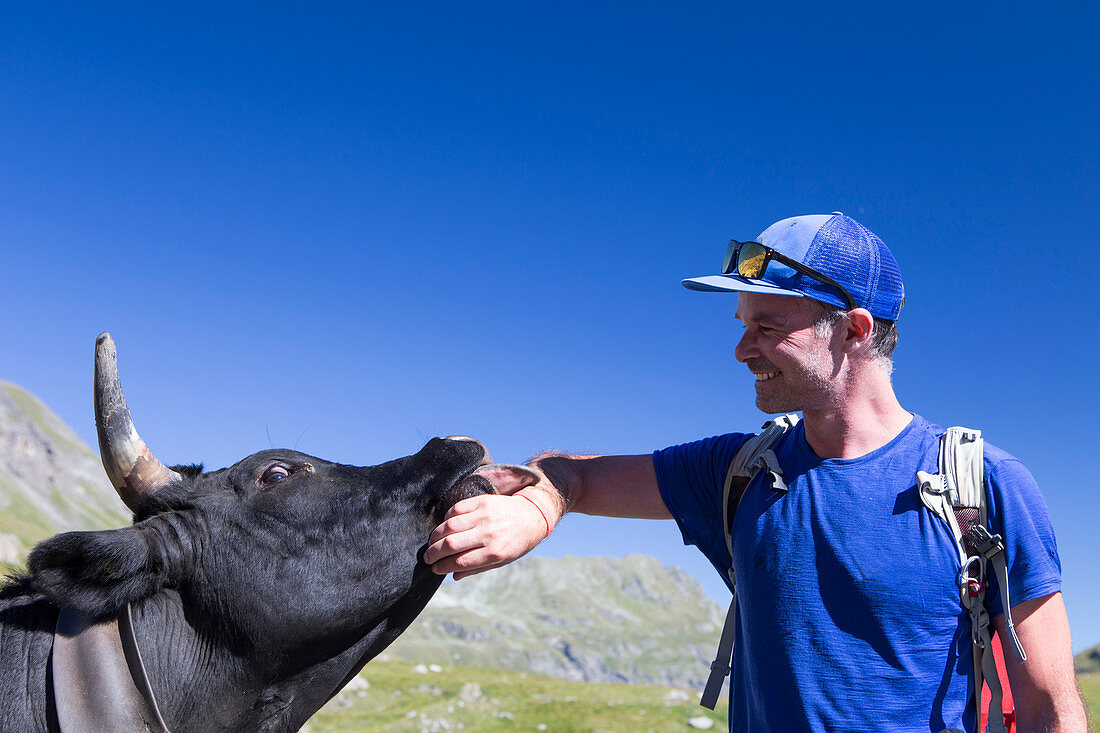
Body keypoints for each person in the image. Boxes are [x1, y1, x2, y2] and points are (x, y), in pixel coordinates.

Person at [423, 212, 1087, 732]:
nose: (741, 349)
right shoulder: (737, 473)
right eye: (742, 324)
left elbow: (1050, 711)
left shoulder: (982, 485)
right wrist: (535, 507)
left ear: (854, 330)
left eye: (767, 326)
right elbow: (573, 473)